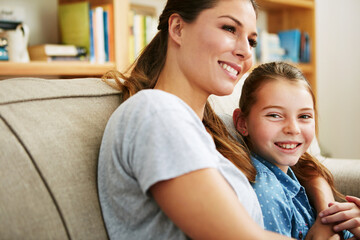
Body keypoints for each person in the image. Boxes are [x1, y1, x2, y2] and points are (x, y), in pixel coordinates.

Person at [98, 0, 341, 239]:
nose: (246, 51)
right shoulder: (156, 113)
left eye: (251, 41)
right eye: (229, 28)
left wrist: (329, 211)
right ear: (177, 29)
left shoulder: (216, 128)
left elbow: (295, 158)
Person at [233, 61, 359, 239]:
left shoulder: (291, 176)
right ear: (242, 122)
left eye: (304, 116)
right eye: (275, 115)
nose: (293, 129)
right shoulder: (265, 191)